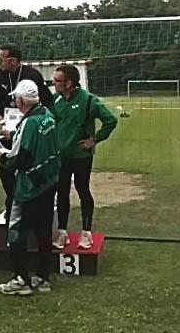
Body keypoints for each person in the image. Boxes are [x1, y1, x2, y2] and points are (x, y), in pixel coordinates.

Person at [0, 79, 60, 296]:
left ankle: (22, 279)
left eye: (16, 98)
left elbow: (21, 159)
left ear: (21, 100)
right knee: (43, 230)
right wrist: (13, 135)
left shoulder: (29, 122)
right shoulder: (46, 114)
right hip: (48, 181)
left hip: (30, 185)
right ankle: (43, 277)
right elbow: (36, 141)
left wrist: (0, 156)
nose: (15, 101)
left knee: (16, 231)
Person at [52, 64, 118, 250]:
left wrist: (95, 139)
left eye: (57, 80)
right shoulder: (55, 99)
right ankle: (62, 232)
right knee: (61, 192)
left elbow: (111, 120)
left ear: (69, 83)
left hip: (81, 156)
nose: (54, 83)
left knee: (82, 190)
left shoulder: (89, 100)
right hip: (61, 156)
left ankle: (86, 233)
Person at [0, 43, 54, 224]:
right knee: (7, 169)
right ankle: (11, 203)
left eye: (1, 59)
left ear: (13, 60)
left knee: (26, 164)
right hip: (7, 129)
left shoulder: (32, 75)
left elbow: (46, 101)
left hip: (28, 129)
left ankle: (30, 205)